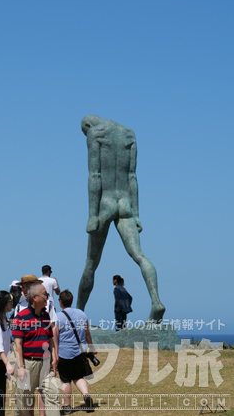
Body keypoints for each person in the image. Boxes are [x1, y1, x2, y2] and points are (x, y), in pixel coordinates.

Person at [77, 115, 165, 322]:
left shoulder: (94, 133)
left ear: (87, 125)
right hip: (126, 204)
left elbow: (95, 175)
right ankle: (156, 301)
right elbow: (132, 177)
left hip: (105, 204)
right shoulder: (129, 134)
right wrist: (137, 213)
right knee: (140, 255)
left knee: (91, 263)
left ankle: (77, 313)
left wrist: (92, 216)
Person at [12, 283, 60, 416]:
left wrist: (54, 358)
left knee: (53, 396)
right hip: (27, 365)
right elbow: (18, 345)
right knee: (24, 405)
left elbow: (50, 338)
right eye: (45, 294)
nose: (48, 297)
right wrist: (21, 367)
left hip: (46, 365)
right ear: (35, 297)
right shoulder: (20, 318)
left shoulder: (46, 316)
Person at [54, 290, 95, 414]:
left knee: (65, 380)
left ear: (60, 302)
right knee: (78, 377)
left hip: (64, 353)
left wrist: (55, 353)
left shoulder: (58, 317)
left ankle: (66, 406)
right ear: (71, 301)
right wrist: (92, 348)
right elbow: (87, 333)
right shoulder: (82, 314)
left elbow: (55, 335)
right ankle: (86, 394)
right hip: (80, 352)